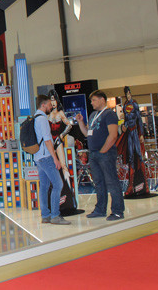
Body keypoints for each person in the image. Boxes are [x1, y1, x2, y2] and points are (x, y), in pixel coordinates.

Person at [77, 90, 125, 221]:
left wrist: (103, 150)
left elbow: (113, 135)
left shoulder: (109, 114)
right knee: (98, 183)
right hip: (94, 154)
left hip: (105, 153)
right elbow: (87, 133)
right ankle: (100, 209)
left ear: (102, 100)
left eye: (94, 100)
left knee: (111, 182)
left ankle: (117, 211)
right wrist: (81, 122)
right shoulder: (93, 115)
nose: (91, 103)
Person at [33, 94, 71, 225]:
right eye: (49, 104)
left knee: (44, 186)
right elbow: (48, 140)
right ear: (43, 105)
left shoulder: (35, 117)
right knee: (58, 184)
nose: (51, 106)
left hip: (38, 157)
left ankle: (45, 215)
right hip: (46, 157)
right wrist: (55, 158)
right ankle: (55, 215)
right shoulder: (43, 119)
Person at [117, 87, 151, 197]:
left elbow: (139, 119)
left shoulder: (134, 104)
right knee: (131, 157)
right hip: (129, 132)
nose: (127, 95)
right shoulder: (125, 105)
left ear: (130, 93)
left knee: (139, 156)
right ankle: (132, 185)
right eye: (126, 94)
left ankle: (144, 185)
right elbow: (126, 120)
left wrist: (141, 134)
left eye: (128, 93)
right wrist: (124, 126)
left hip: (135, 131)